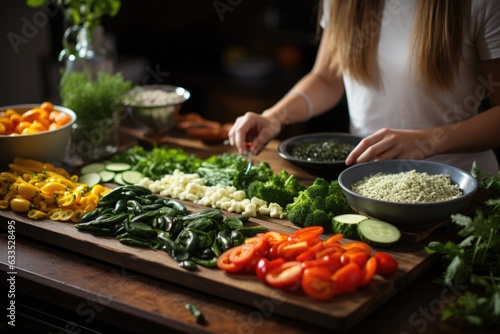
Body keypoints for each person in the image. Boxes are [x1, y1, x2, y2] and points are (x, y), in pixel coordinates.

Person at [228, 0, 500, 174]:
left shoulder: (481, 4)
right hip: (367, 181)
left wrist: (425, 141)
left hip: (462, 185)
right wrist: (274, 117)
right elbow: (327, 78)